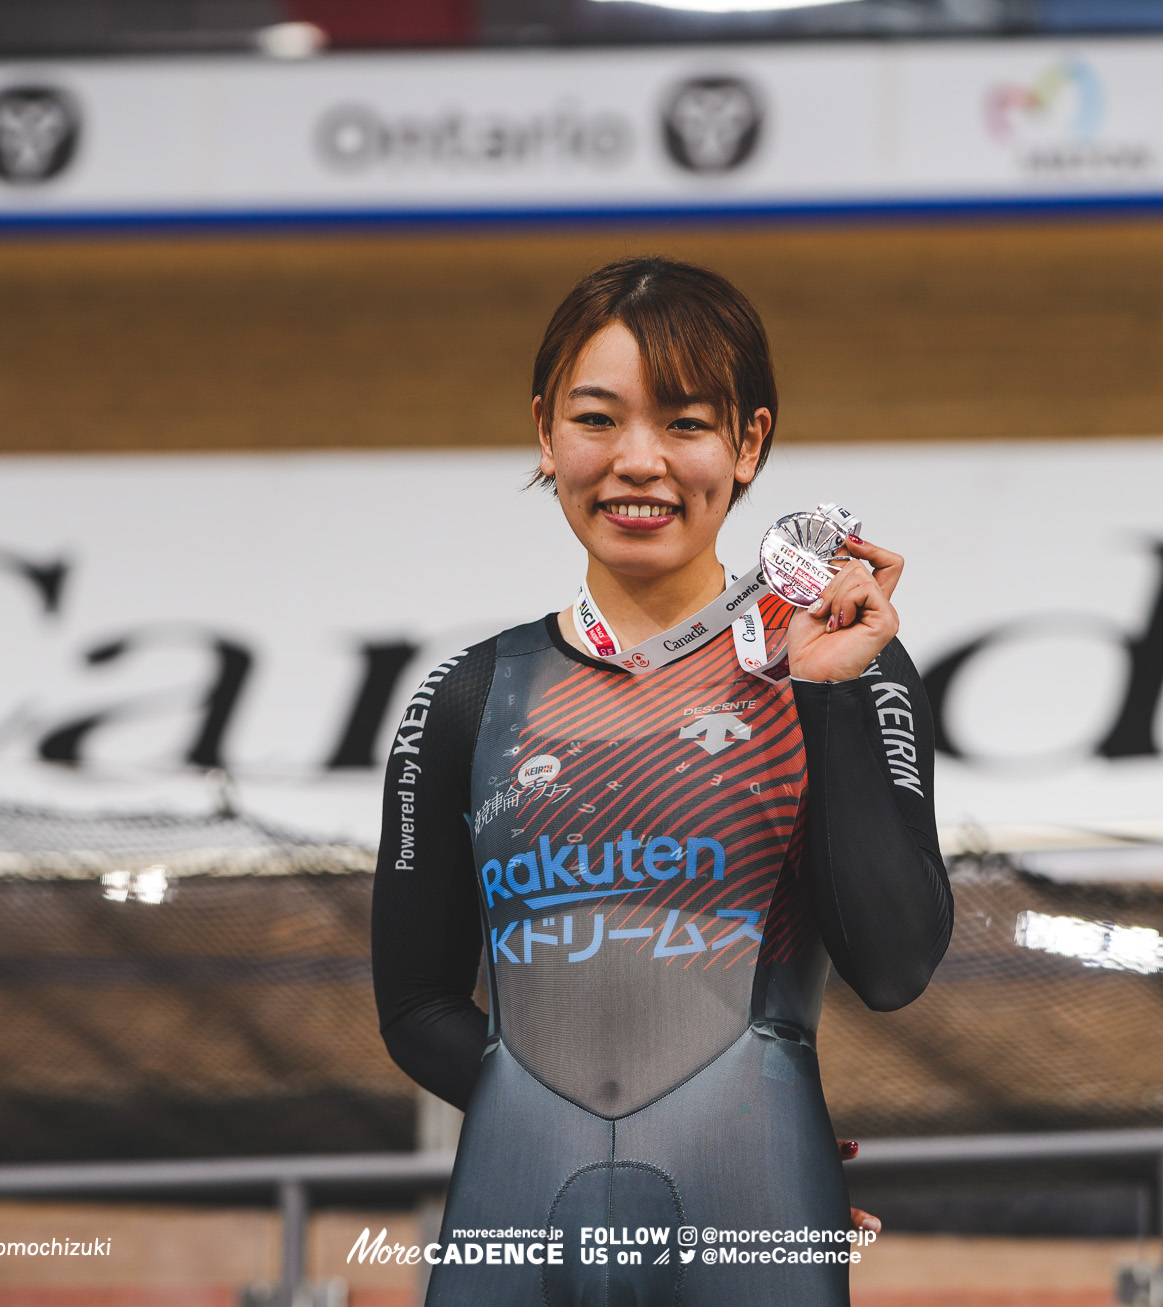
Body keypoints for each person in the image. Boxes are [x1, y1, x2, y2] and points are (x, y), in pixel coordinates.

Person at [372, 256, 951, 1306]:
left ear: (749, 442)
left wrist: (823, 689)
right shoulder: (467, 694)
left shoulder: (840, 655)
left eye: (684, 423)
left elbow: (896, 962)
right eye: (599, 420)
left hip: (755, 1197)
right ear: (545, 430)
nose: (638, 462)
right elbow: (414, 1004)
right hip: (517, 1208)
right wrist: (564, 1115)